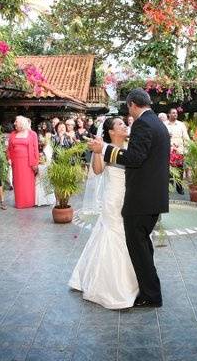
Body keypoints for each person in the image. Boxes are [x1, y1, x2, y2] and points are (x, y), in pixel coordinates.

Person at [89, 88, 170, 308]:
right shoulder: (157, 123)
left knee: (139, 247)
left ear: (133, 104)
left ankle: (151, 295)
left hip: (142, 198)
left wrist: (103, 149)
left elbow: (134, 157)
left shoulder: (144, 124)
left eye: (128, 109)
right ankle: (148, 289)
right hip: (151, 197)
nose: (128, 116)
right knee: (143, 246)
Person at [69, 117, 139, 308]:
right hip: (113, 198)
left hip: (131, 197)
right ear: (111, 131)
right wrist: (97, 151)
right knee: (112, 232)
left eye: (125, 123)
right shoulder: (105, 147)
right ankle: (110, 285)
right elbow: (98, 171)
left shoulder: (132, 146)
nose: (125, 125)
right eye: (120, 124)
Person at [7, 116, 39, 209]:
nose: (14, 124)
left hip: (28, 162)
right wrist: (9, 158)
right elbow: (9, 148)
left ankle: (29, 202)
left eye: (16, 122)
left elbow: (35, 149)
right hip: (16, 162)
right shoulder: (13, 134)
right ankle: (20, 203)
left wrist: (35, 163)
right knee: (18, 183)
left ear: (21, 123)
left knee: (28, 183)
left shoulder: (32, 134)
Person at [165, 108, 190, 195]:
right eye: (173, 113)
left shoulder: (181, 124)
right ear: (169, 114)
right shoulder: (164, 124)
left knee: (179, 170)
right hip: (168, 150)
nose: (175, 114)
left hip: (179, 151)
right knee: (169, 170)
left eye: (176, 113)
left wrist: (186, 150)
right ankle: (169, 187)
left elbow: (186, 138)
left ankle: (179, 187)